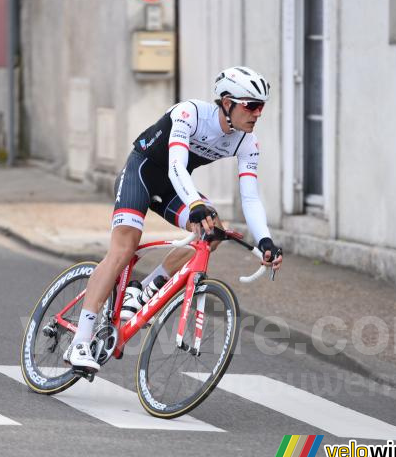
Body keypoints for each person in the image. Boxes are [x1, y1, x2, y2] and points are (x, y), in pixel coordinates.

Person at [65, 66, 284, 370]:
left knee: (213, 230)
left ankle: (146, 289)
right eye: (251, 105)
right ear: (226, 102)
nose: (257, 113)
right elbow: (176, 166)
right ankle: (79, 342)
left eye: (261, 106)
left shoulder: (247, 142)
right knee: (124, 248)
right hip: (140, 174)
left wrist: (265, 240)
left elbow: (250, 196)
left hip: (173, 190)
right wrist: (195, 203)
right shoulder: (189, 113)